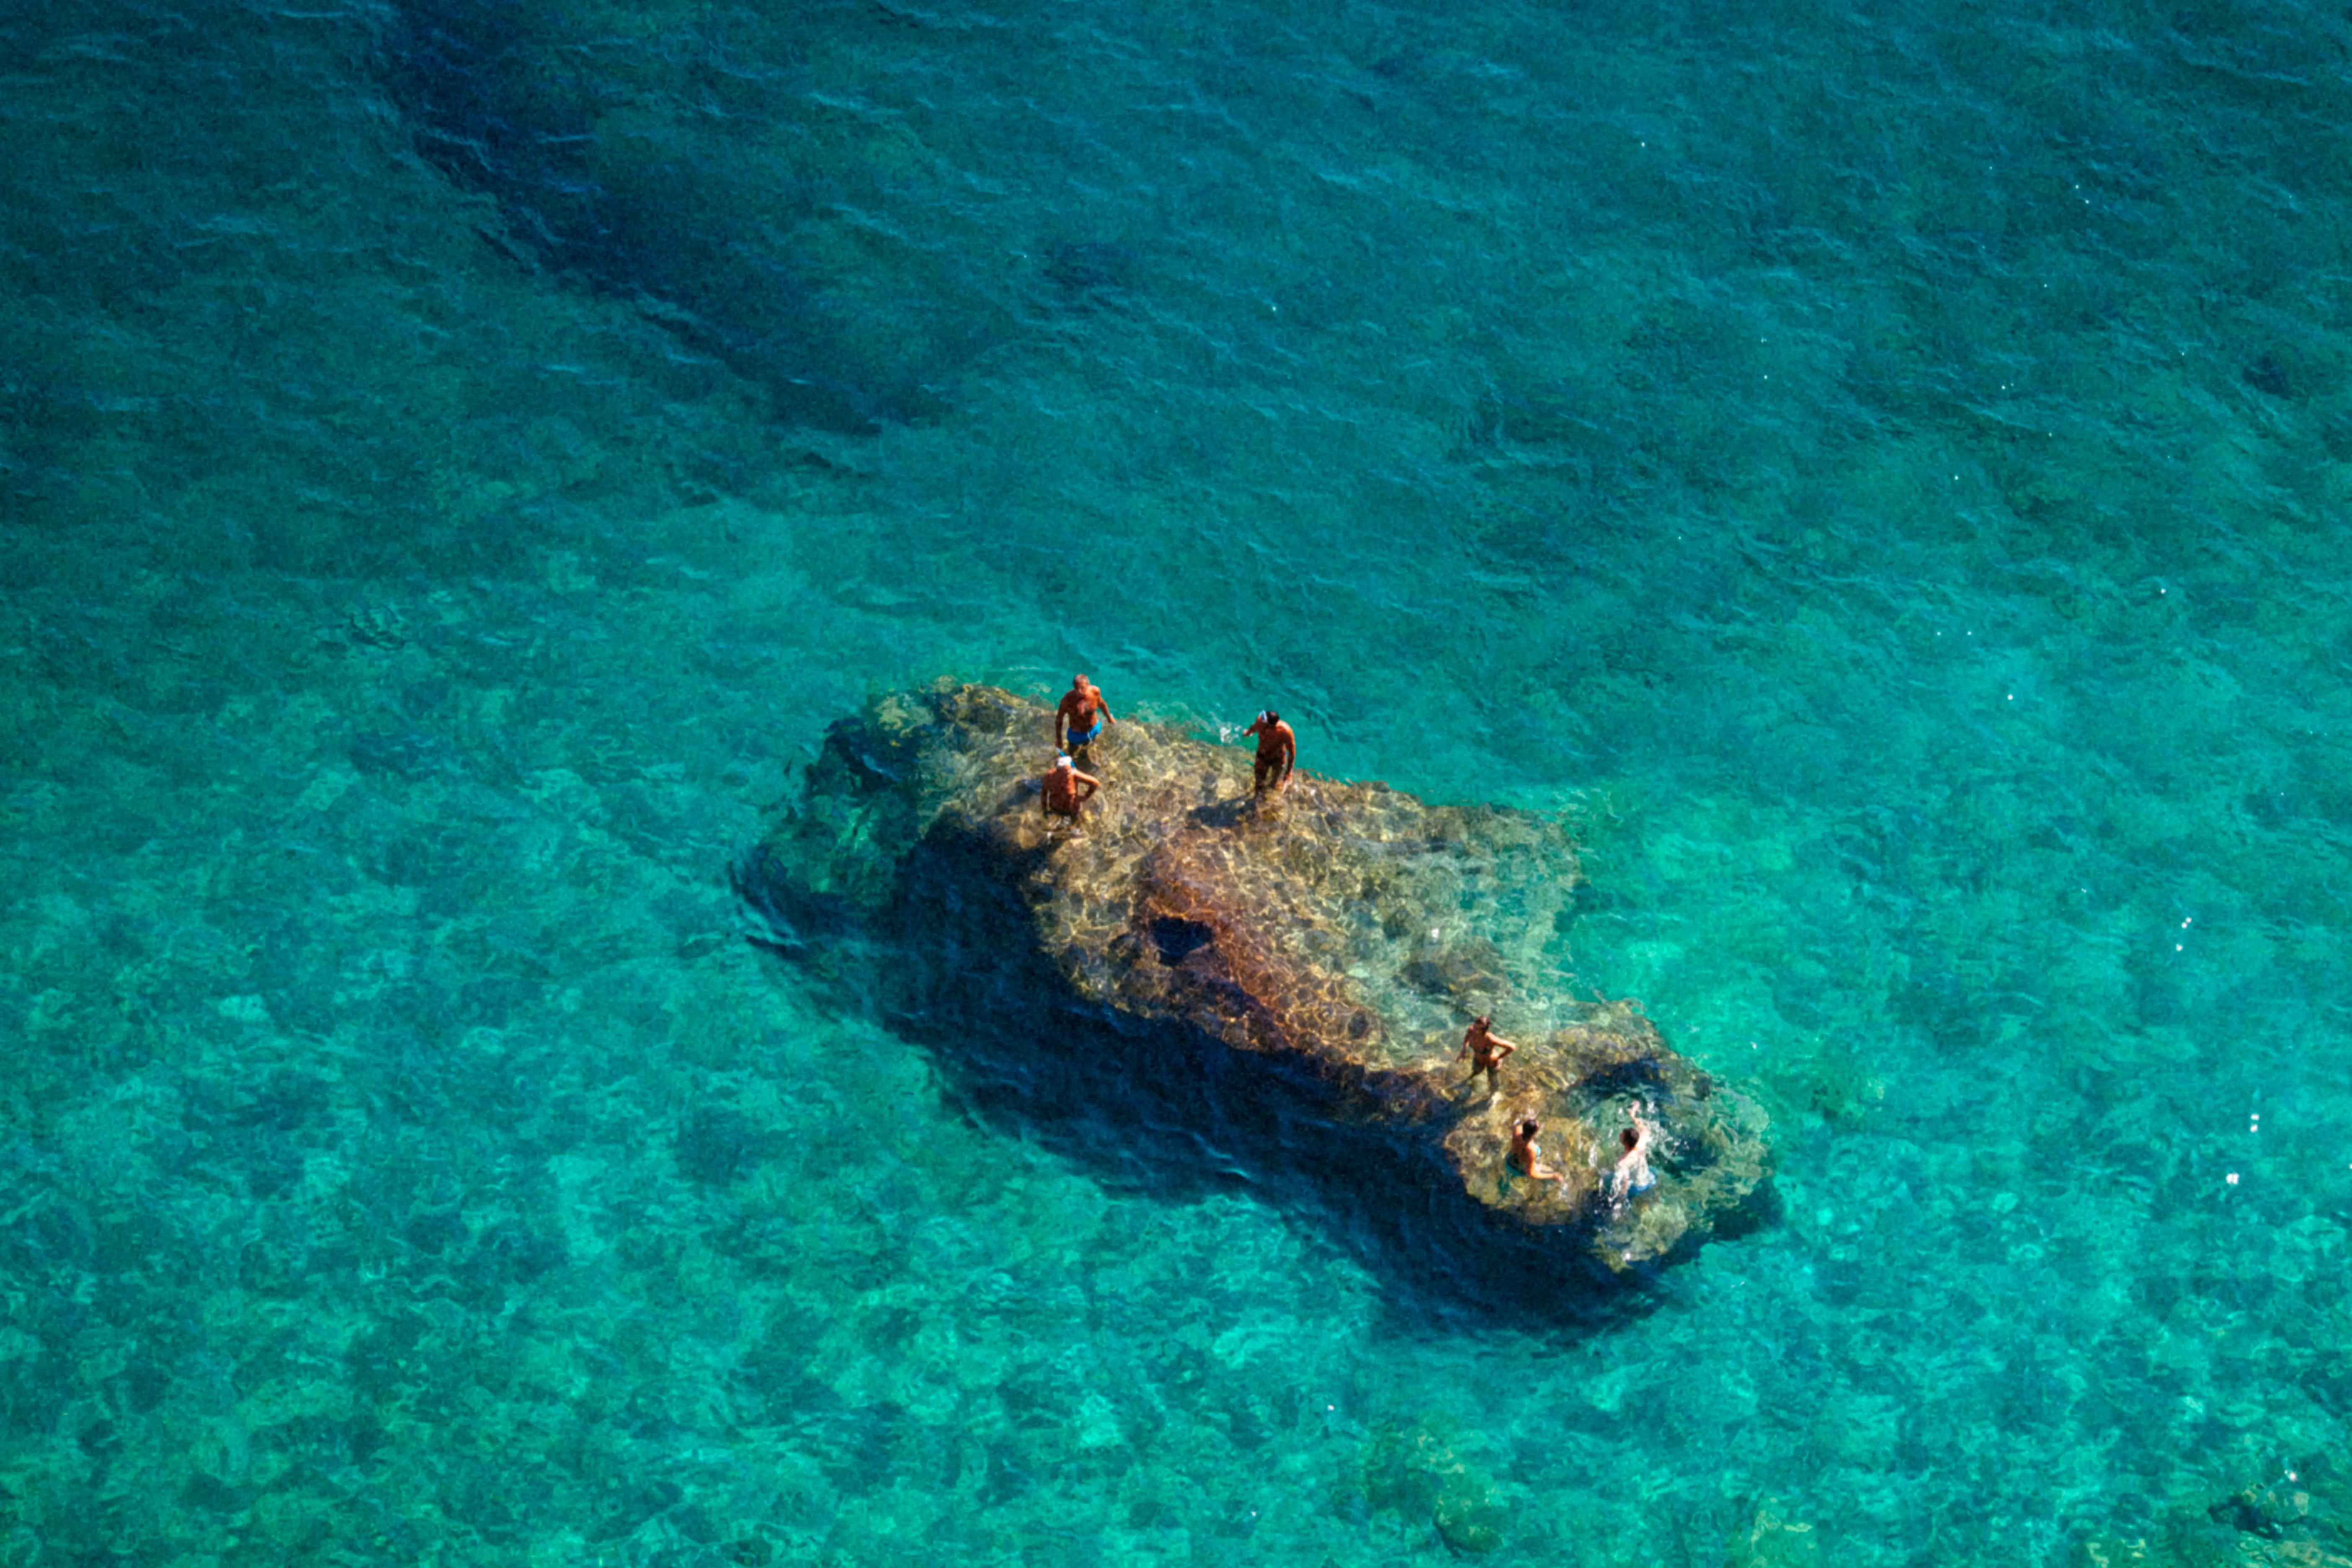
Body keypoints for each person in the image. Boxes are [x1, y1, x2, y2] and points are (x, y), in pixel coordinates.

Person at [1055, 675, 1117, 758]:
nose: (1079, 692)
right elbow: (1059, 720)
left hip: (1094, 728)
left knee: (1090, 748)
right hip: (1076, 734)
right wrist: (1059, 740)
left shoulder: (1095, 692)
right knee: (1071, 754)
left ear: (1088, 686)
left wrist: (1109, 718)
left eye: (1082, 688)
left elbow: (1102, 705)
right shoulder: (1067, 701)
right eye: (1076, 688)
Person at [1456, 1015, 1519, 1093]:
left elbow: (1512, 1047)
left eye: (1478, 1029)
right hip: (1478, 1059)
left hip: (1491, 1062)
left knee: (1493, 1081)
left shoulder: (1490, 1039)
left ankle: (1492, 1095)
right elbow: (1467, 1038)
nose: (1474, 1030)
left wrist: (1499, 1057)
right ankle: (1469, 1081)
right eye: (1474, 1027)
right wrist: (1463, 1051)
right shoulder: (1471, 1030)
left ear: (1484, 1030)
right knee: (1476, 1071)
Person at [1612, 1103, 1659, 1198]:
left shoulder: (1622, 1161)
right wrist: (1633, 1115)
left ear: (1626, 1143)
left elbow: (1626, 1182)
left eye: (1622, 1135)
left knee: (1604, 1174)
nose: (1620, 1134)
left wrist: (1620, 1199)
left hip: (1638, 1187)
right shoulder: (1641, 1142)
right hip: (1649, 1179)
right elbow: (1643, 1129)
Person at [1243, 710, 1295, 793]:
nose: (1260, 718)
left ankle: (1269, 797)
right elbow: (1253, 727)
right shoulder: (1260, 722)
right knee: (1259, 782)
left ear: (1270, 726)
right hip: (1262, 756)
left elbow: (1292, 752)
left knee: (1274, 782)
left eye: (1263, 719)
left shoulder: (1285, 732)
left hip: (1278, 758)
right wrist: (1248, 733)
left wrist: (1289, 772)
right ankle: (1257, 798)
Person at [1041, 753, 1101, 824]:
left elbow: (1044, 794)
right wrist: (1085, 797)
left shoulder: (1049, 776)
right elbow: (1095, 782)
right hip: (1070, 809)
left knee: (1059, 824)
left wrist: (1045, 810)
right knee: (1074, 824)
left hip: (1056, 808)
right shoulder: (1072, 773)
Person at [1505, 1117, 1565, 1188]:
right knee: (1552, 1171)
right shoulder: (1531, 1150)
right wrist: (1553, 1176)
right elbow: (1531, 1173)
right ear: (1534, 1134)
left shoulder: (1518, 1129)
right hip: (1517, 1169)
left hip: (1509, 1160)